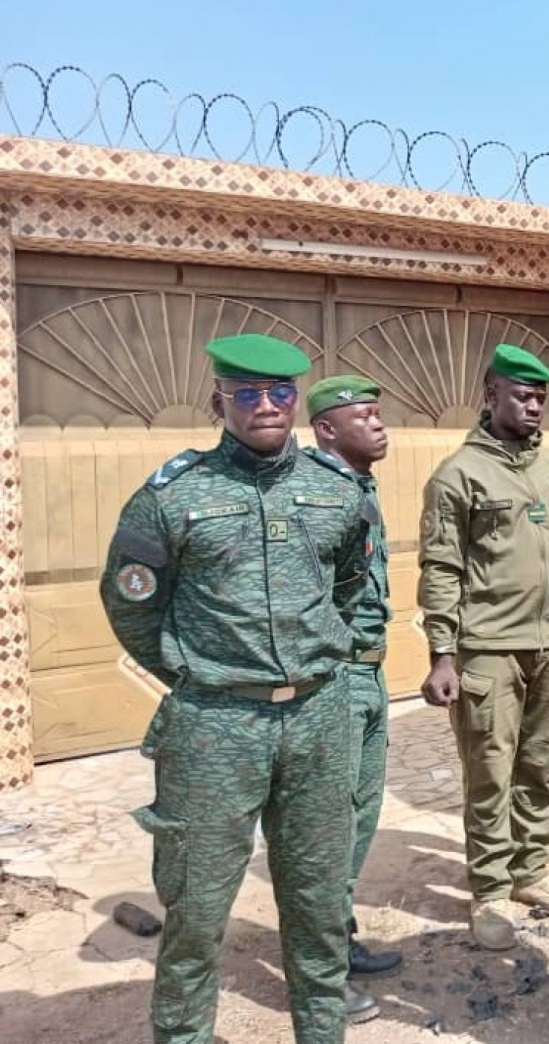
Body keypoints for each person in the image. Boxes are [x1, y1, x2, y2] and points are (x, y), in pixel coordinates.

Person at [100, 333, 372, 1044]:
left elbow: (348, 584)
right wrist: (196, 672)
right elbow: (131, 602)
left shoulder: (336, 489)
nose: (266, 406)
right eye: (247, 394)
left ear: (296, 399)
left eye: (280, 392)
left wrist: (318, 659)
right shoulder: (174, 495)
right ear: (219, 400)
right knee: (196, 907)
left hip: (319, 717)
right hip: (213, 726)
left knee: (318, 904)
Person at [417, 343, 549, 951]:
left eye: (541, 395)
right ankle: (490, 890)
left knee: (540, 768)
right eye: (521, 394)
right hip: (487, 648)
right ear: (490, 396)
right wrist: (442, 653)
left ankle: (531, 873)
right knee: (490, 774)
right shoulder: (458, 475)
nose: (534, 405)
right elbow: (440, 567)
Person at [305, 375, 403, 999]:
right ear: (325, 429)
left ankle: (335, 938)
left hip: (369, 672)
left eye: (377, 412)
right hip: (337, 678)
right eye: (363, 415)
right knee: (328, 827)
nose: (378, 424)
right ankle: (317, 967)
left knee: (360, 817)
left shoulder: (357, 487)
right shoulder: (316, 494)